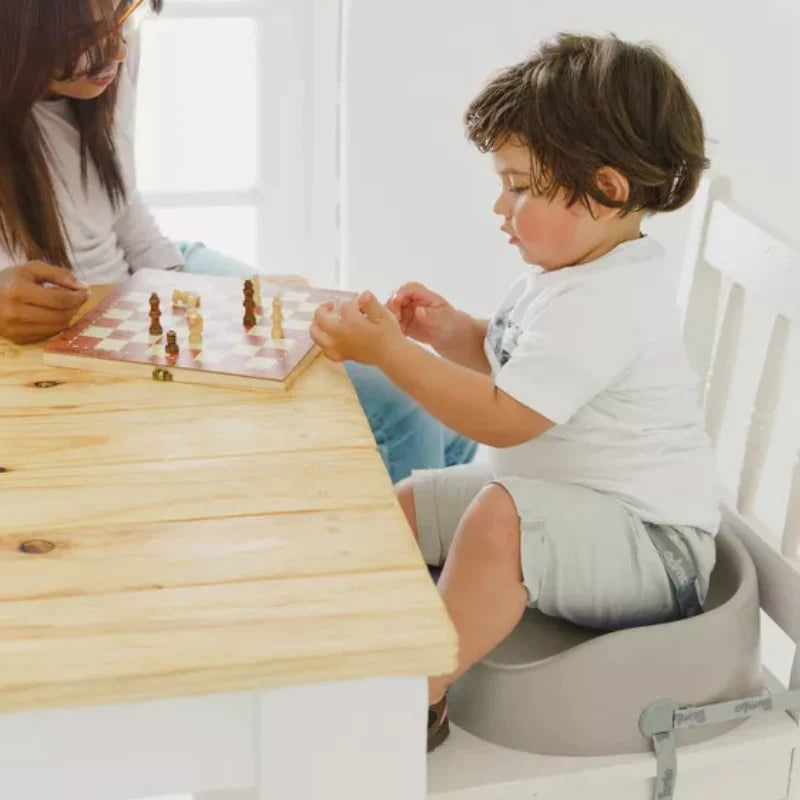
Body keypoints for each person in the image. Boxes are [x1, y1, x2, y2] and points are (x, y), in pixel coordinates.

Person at [310, 32, 720, 752]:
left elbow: (505, 419)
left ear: (608, 189)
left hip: (655, 550)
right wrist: (452, 332)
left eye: (522, 186)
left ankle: (420, 694)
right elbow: (514, 366)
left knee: (499, 520)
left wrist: (392, 353)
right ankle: (352, 648)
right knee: (403, 507)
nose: (502, 206)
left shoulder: (609, 299)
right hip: (578, 510)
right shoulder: (568, 272)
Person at [0, 0, 475, 480]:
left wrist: (172, 287)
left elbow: (118, 194)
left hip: (147, 286)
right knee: (404, 413)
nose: (120, 51)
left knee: (433, 416)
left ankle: (444, 545)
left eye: (126, 16)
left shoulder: (108, 51)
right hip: (70, 328)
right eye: (90, 34)